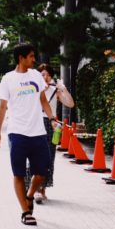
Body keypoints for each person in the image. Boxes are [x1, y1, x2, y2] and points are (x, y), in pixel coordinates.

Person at [0, 43, 57, 226]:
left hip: (38, 132)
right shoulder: (8, 79)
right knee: (19, 174)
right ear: (20, 58)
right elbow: (2, 107)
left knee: (42, 171)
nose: (34, 59)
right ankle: (25, 212)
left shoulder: (36, 76)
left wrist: (52, 118)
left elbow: (43, 100)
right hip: (17, 133)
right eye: (30, 56)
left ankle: (30, 195)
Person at [26, 63, 74, 204]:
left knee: (48, 157)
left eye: (47, 75)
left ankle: (42, 190)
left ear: (51, 76)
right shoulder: (33, 89)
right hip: (34, 122)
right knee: (33, 157)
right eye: (42, 75)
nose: (45, 77)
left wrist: (63, 89)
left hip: (49, 124)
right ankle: (32, 189)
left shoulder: (55, 90)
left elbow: (70, 104)